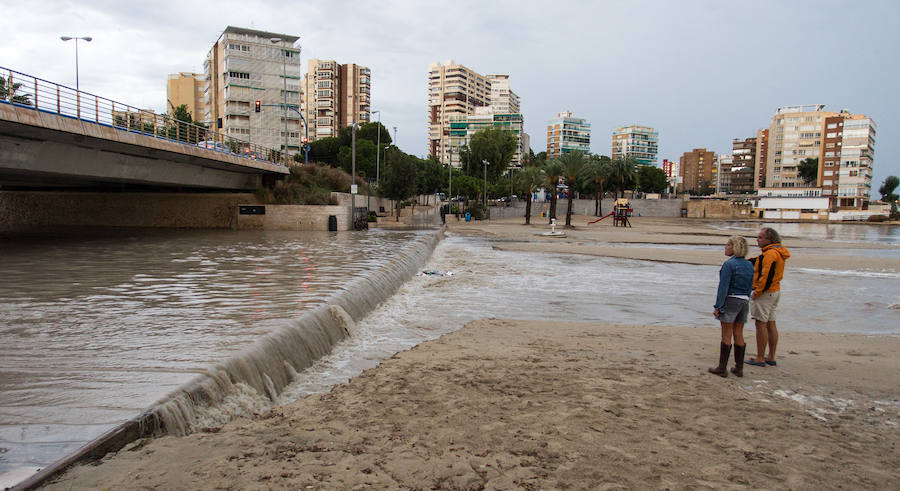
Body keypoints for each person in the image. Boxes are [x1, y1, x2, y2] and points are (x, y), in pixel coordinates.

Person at [709, 236, 754, 377]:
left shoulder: (729, 264)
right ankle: (739, 368)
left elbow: (723, 287)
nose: (725, 247)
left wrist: (718, 306)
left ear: (734, 247)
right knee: (738, 333)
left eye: (728, 245)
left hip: (731, 299)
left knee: (726, 334)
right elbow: (750, 285)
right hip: (744, 300)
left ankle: (722, 368)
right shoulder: (749, 265)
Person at [747, 227, 791, 368]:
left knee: (761, 324)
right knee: (771, 324)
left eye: (760, 237)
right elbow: (756, 261)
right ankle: (771, 356)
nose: (757, 240)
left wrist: (758, 292)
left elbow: (766, 276)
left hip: (766, 293)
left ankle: (760, 358)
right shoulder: (775, 252)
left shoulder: (771, 254)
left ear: (769, 239)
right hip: (775, 291)